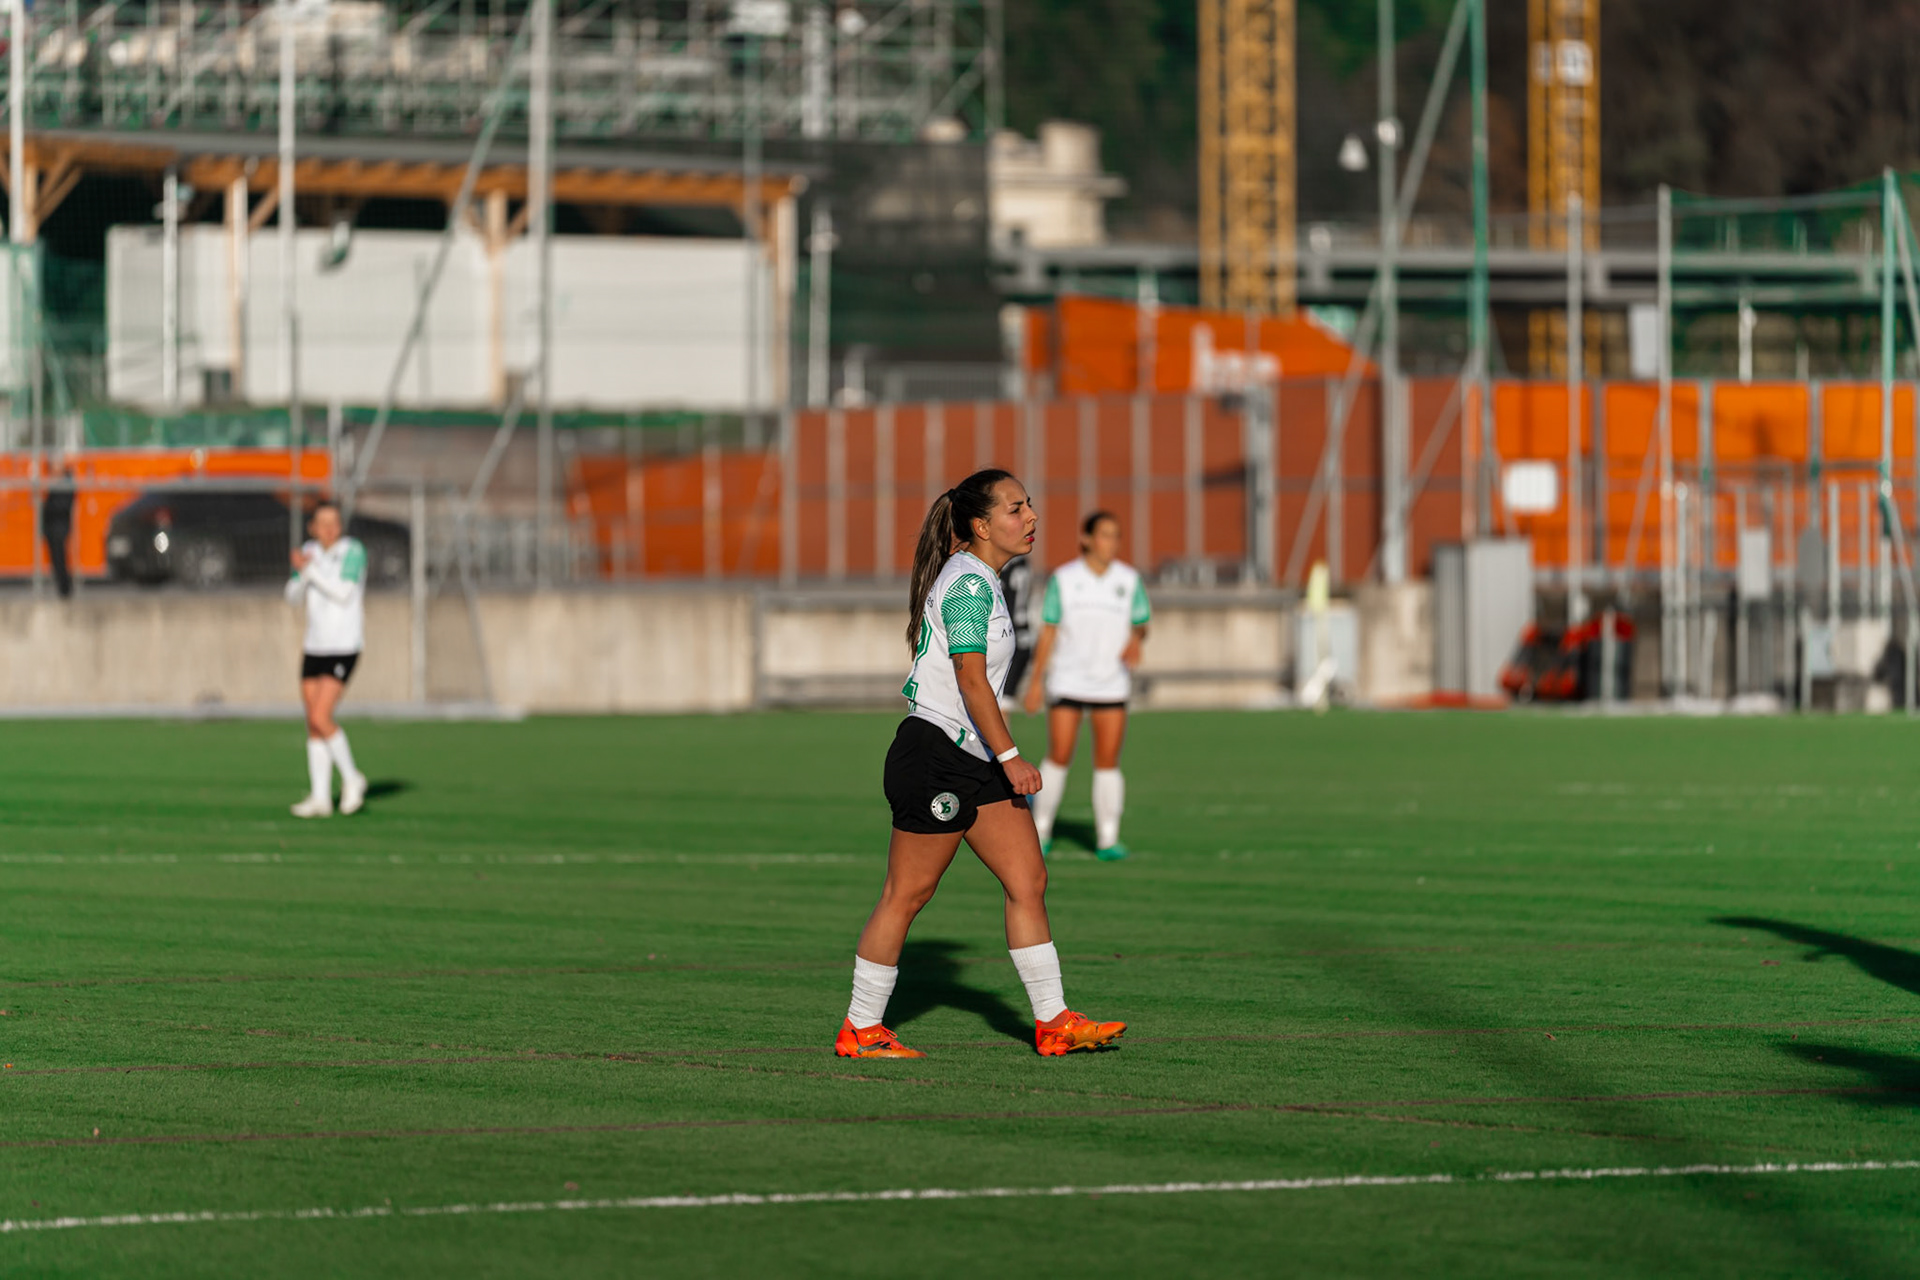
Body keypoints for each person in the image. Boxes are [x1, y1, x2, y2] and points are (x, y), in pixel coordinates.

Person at [836, 468, 1127, 1060]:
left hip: (974, 756)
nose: (1032, 518)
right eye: (1016, 509)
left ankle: (1054, 1022)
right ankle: (861, 1029)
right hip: (936, 754)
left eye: (1030, 505)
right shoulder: (968, 582)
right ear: (980, 524)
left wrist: (999, 757)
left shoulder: (985, 580)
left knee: (1029, 881)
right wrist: (1013, 757)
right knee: (908, 894)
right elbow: (971, 680)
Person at [1021, 511, 1151, 862]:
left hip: (1111, 683)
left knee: (1107, 761)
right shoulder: (1064, 579)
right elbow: (1048, 631)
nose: (1111, 543)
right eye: (1105, 535)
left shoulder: (1128, 579)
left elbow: (1141, 622)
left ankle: (1107, 838)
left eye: (1116, 535)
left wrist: (1136, 639)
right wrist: (1036, 681)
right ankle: (1042, 829)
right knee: (1059, 755)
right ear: (1087, 539)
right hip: (1068, 680)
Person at [285, 499, 369, 818]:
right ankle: (320, 797)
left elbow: (343, 592)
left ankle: (351, 778)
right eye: (323, 523)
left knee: (322, 716)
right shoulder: (310, 552)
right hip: (314, 646)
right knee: (312, 724)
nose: (330, 529)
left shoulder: (353, 551)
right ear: (312, 528)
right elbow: (292, 595)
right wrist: (302, 573)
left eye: (335, 522)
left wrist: (310, 570)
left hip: (344, 647)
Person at [998, 551, 1035, 711]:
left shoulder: (1004, 563)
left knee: (998, 706)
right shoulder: (1023, 563)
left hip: (1007, 636)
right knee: (1003, 704)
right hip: (1023, 636)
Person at [41, 462, 75, 599]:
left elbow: (62, 506)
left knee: (60, 558)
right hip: (52, 528)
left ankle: (65, 588)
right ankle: (62, 588)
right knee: (55, 559)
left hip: (60, 527)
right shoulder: (54, 485)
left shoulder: (66, 485)